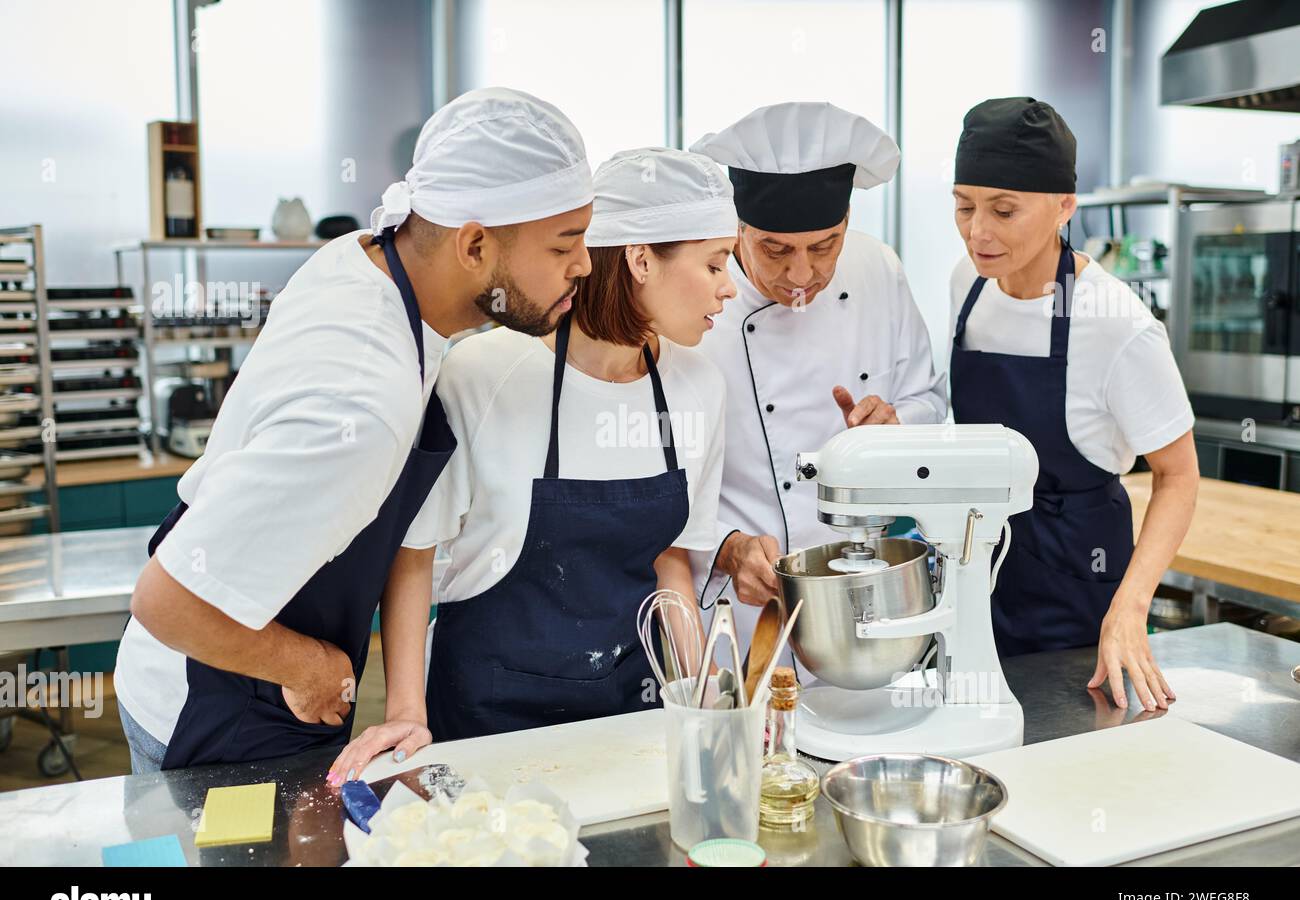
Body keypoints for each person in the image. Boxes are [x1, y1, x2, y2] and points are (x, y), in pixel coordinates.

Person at [116, 88, 595, 771]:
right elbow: (169, 602)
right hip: (211, 699)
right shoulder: (362, 401)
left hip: (258, 672)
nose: (583, 264)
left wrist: (401, 704)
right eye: (564, 245)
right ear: (475, 244)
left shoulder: (370, 260)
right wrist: (307, 666)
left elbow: (402, 528)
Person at [328, 146, 736, 776]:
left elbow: (669, 561)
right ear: (640, 259)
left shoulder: (699, 388)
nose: (729, 287)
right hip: (490, 721)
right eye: (715, 264)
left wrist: (704, 698)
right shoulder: (481, 375)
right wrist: (407, 709)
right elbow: (412, 553)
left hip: (630, 715)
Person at [948, 96, 1197, 711]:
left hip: (1077, 586)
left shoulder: (1116, 322)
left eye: (1004, 211)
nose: (979, 231)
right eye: (963, 206)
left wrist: (1130, 609)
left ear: (1064, 207)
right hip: (978, 573)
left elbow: (1179, 475)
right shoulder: (967, 284)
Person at [688, 101, 947, 645]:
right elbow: (662, 479)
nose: (801, 273)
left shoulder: (878, 268)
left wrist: (895, 429)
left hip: (862, 588)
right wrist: (726, 547)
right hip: (740, 605)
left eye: (824, 245)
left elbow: (928, 398)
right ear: (737, 229)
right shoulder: (693, 299)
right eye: (775, 249)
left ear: (848, 224)